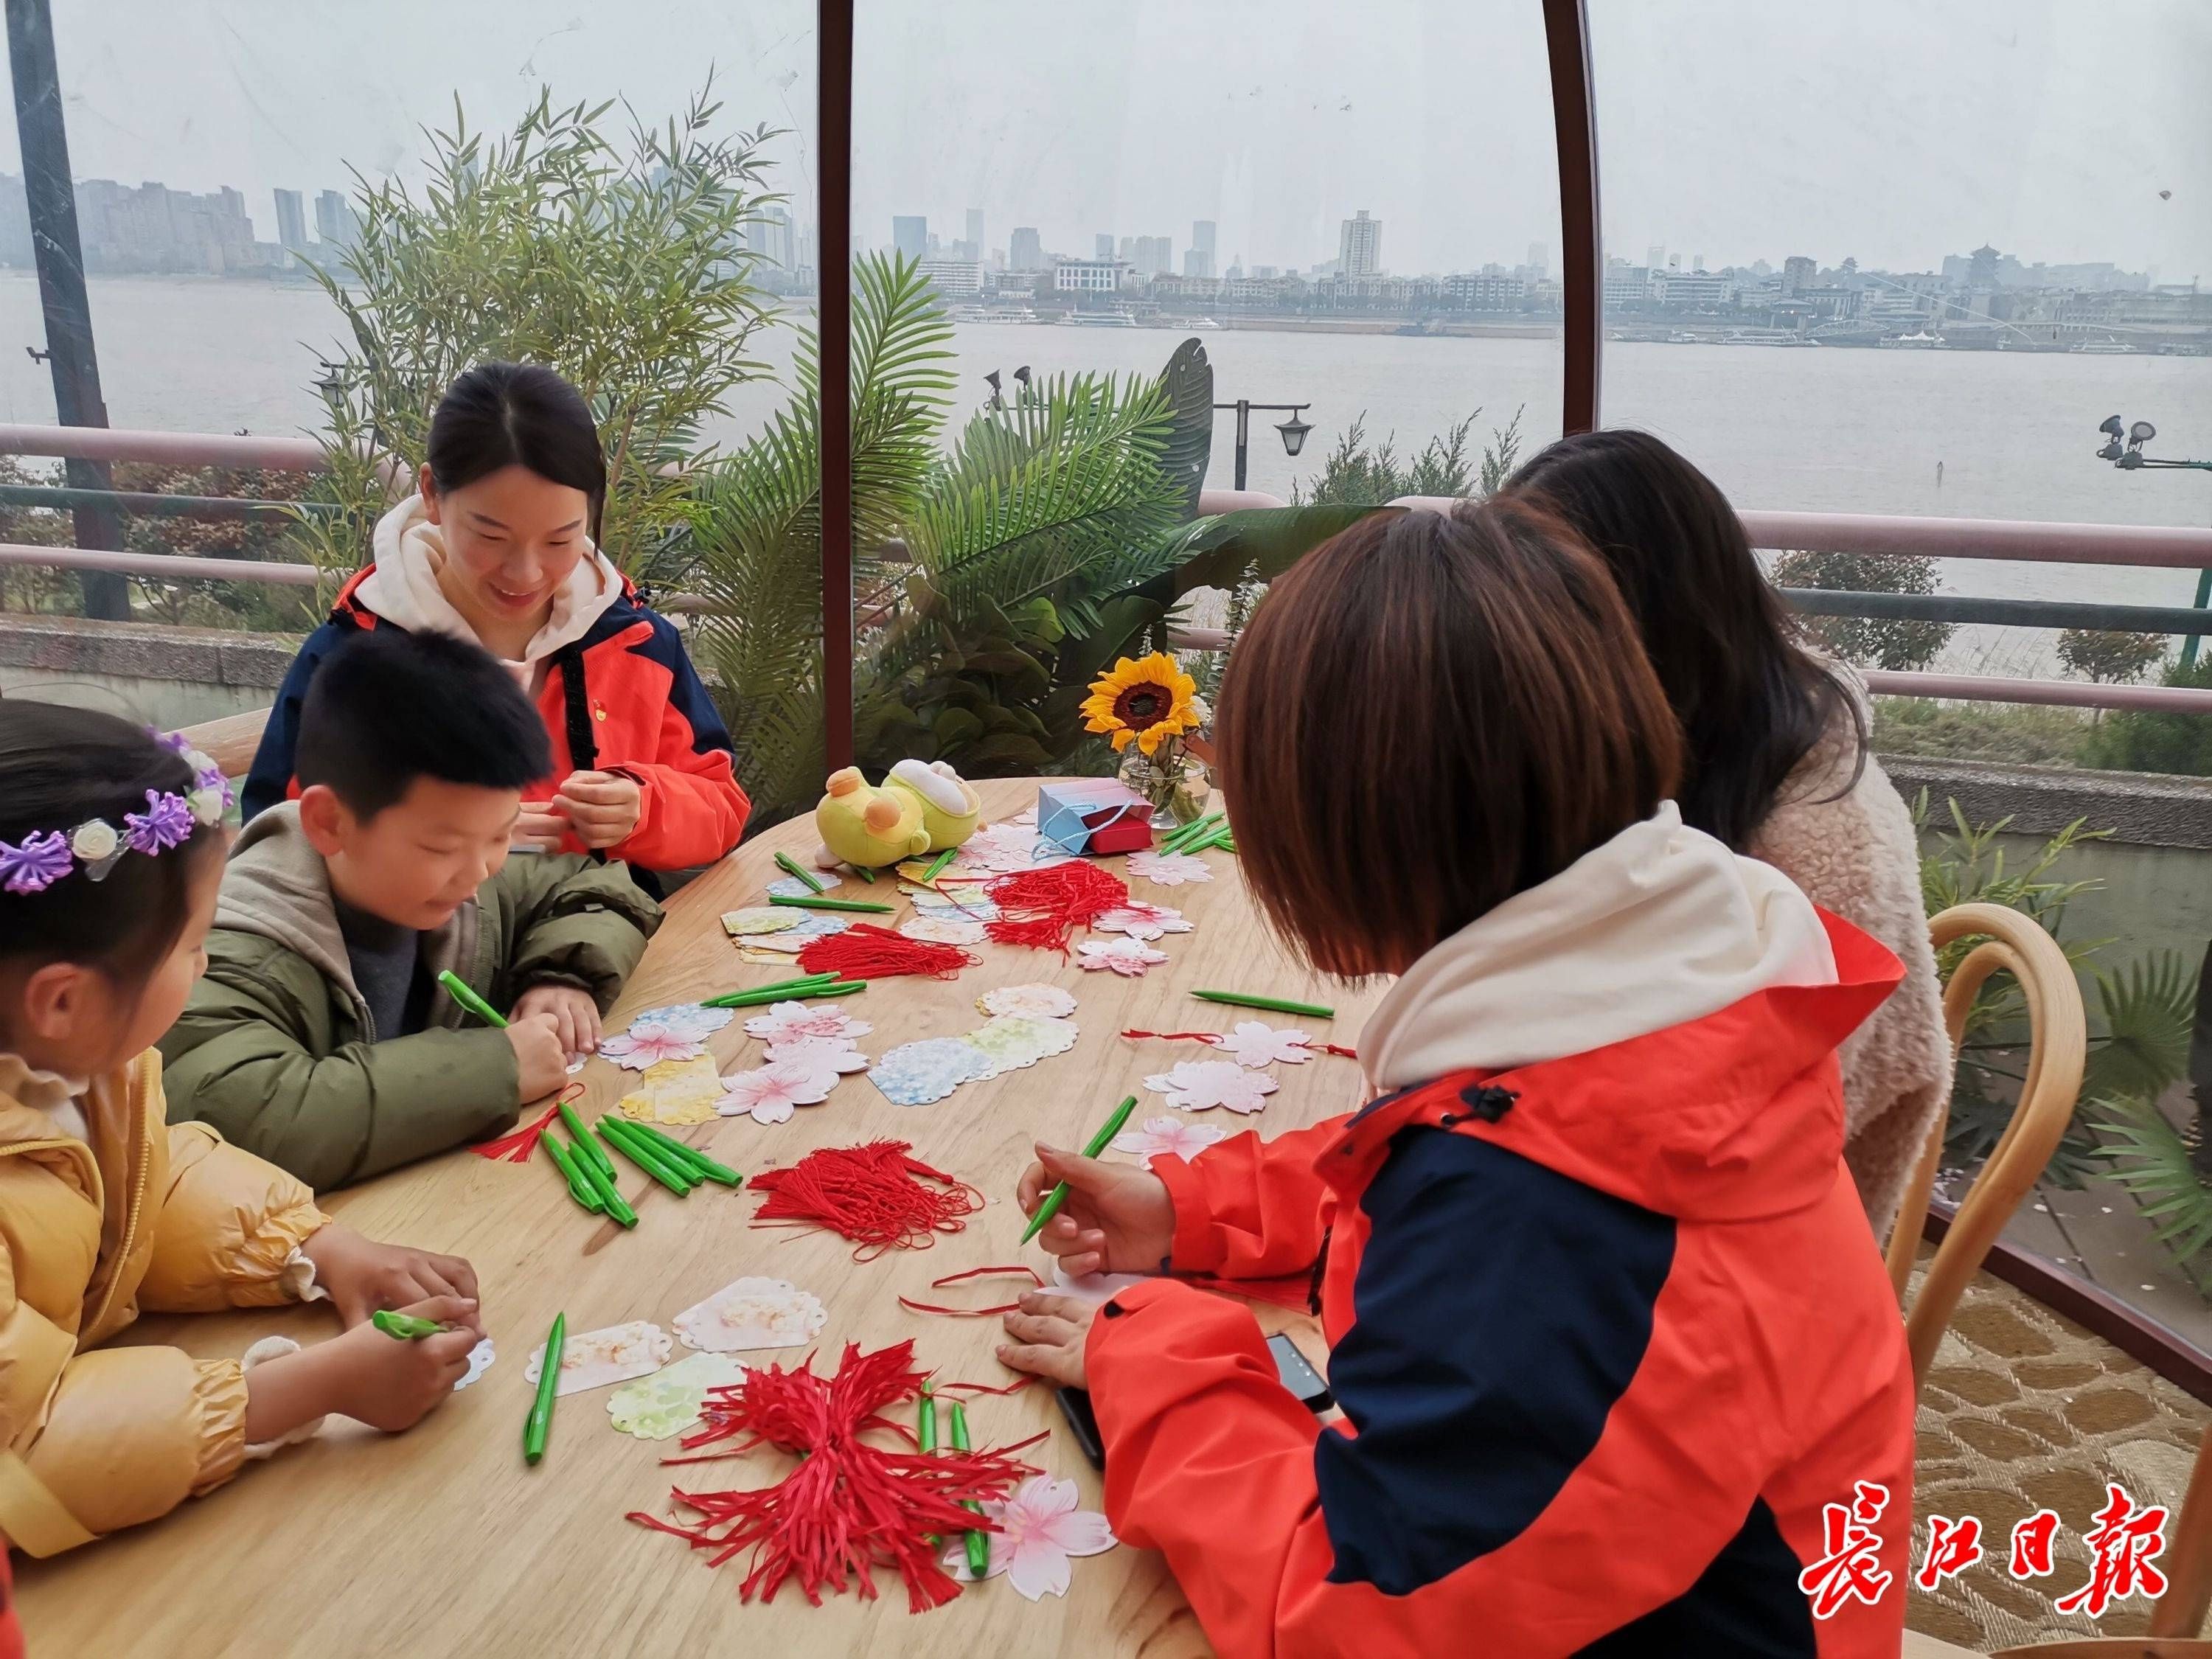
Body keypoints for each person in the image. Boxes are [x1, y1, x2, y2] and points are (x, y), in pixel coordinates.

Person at [996, 502, 1915, 1656]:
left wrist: (1150, 1353)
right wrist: (1192, 1208)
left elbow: (1342, 1615)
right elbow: (1475, 1148)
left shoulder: (1537, 1227)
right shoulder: (1680, 986)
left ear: (1346, 832)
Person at [0, 702, 485, 1557]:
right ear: (63, 999)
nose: (209, 963)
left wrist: (314, 1249)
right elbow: (24, 1455)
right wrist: (303, 1389)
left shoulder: (80, 1059)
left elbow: (149, 1183)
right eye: (192, 946)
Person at [1508, 428, 1950, 1234]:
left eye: (1547, 608)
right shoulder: (1700, 748)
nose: (1522, 644)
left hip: (1761, 1259)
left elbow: (1749, 1150)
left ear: (1644, 616)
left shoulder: (1820, 851)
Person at [161, 628, 661, 1191]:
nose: (478, 872)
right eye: (441, 848)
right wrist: (496, 1069)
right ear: (329, 822)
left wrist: (563, 974)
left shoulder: (462, 882)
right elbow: (251, 1118)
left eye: (502, 835)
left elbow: (594, 886)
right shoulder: (224, 952)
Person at [243, 361, 748, 877]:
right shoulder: (353, 656)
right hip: (414, 952)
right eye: (490, 536)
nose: (525, 573)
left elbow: (722, 807)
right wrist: (455, 839)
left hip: (602, 944)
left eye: (560, 539)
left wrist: (644, 806)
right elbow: (274, 841)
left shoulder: (635, 643)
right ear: (432, 495)